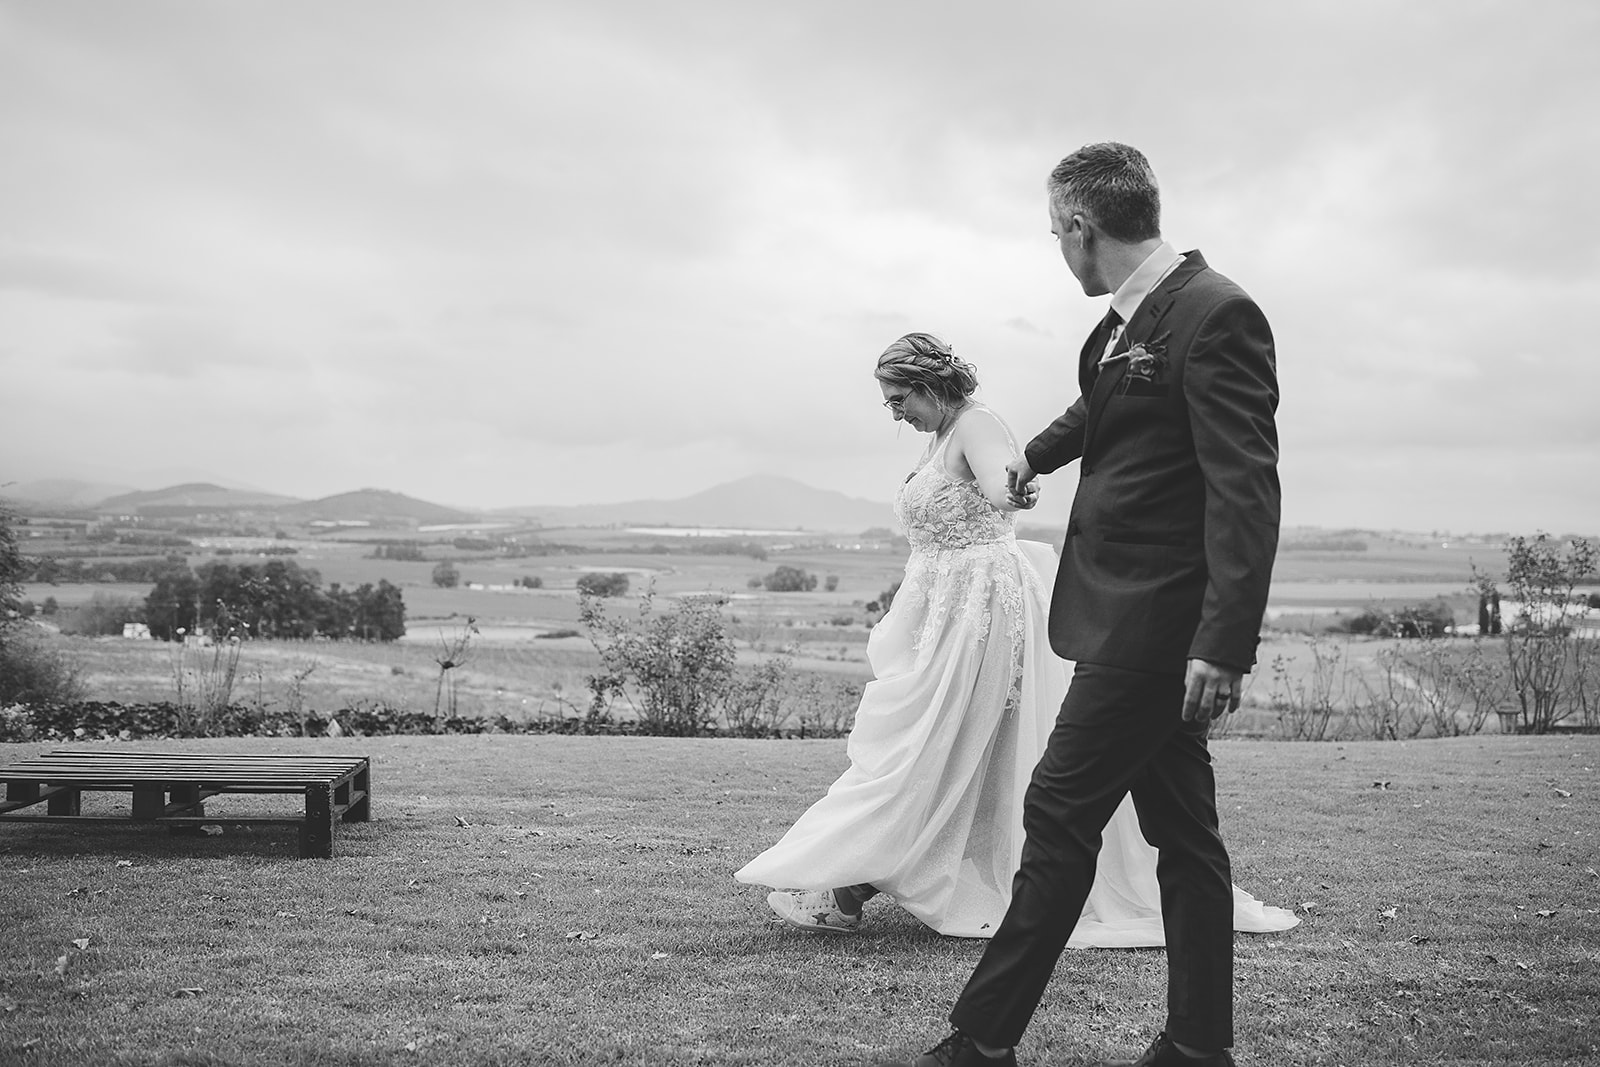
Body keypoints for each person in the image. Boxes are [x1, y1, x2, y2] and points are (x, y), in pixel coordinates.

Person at [880, 144, 1281, 1067]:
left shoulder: (1217, 312)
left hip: (1157, 626)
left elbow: (1246, 488)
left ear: (1078, 227)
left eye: (1054, 233)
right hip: (1118, 616)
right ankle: (1196, 1045)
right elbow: (1099, 409)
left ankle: (979, 1042)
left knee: (1058, 815)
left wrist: (1224, 644)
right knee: (1185, 837)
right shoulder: (1118, 327)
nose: (1055, 249)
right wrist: (1032, 461)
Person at [735, 332, 1294, 951]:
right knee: (937, 745)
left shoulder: (976, 425)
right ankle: (862, 877)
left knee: (942, 743)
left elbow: (1004, 485)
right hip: (944, 612)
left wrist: (1015, 489)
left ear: (930, 385)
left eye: (899, 399)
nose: (895, 413)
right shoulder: (939, 437)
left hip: (984, 612)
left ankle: (856, 881)